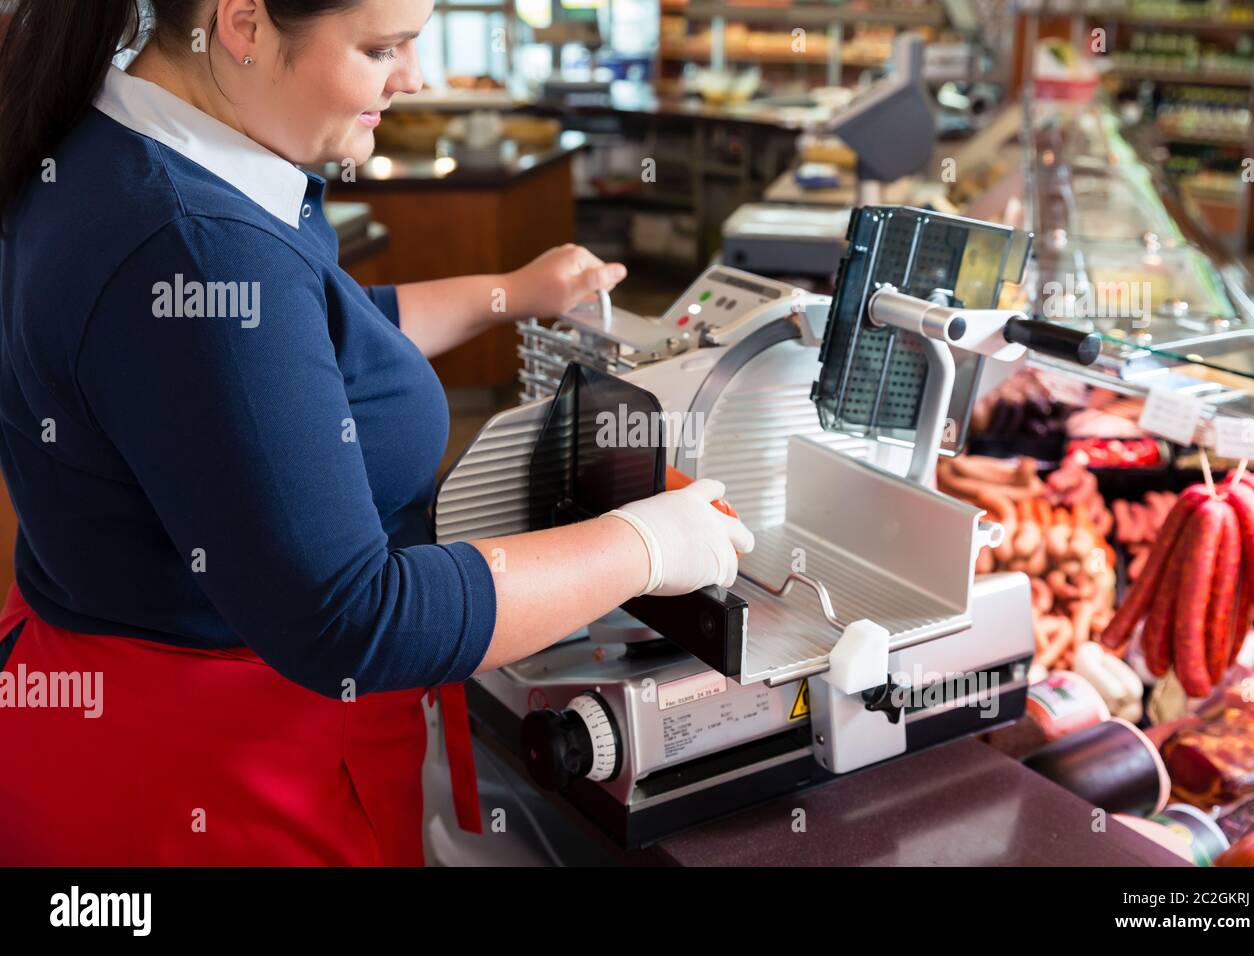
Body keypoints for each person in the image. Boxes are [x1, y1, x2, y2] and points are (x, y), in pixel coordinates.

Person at [0, 0, 752, 865]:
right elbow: (353, 614)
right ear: (242, 25)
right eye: (381, 48)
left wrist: (509, 291)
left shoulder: (123, 139)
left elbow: (310, 343)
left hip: (103, 720)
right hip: (214, 788)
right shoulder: (198, 248)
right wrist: (647, 544)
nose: (415, 78)